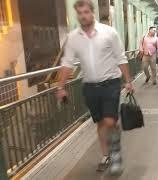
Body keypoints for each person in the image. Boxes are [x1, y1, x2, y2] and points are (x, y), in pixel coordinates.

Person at [55, 0, 133, 174]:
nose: (83, 16)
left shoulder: (109, 33)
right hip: (90, 87)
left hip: (111, 84)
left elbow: (121, 58)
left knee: (110, 121)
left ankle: (115, 155)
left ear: (93, 13)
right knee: (100, 123)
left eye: (86, 12)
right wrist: (60, 87)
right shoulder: (74, 37)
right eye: (80, 13)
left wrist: (128, 81)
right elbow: (67, 63)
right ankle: (105, 156)